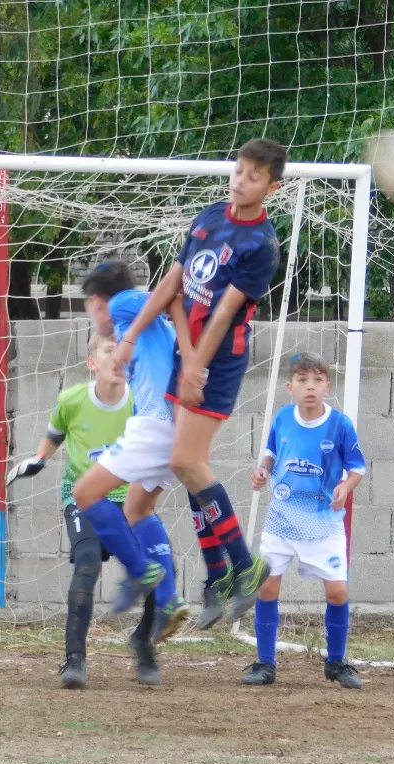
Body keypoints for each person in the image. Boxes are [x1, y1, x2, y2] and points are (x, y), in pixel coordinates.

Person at [114, 138, 288, 629]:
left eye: (254, 176)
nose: (241, 180)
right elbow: (173, 284)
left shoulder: (262, 245)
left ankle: (244, 567)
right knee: (192, 468)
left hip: (220, 358)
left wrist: (197, 367)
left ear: (271, 187)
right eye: (239, 170)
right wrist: (130, 341)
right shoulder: (209, 215)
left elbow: (223, 314)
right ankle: (217, 577)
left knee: (185, 461)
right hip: (185, 351)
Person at [70, 261, 192, 687]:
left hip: (156, 425)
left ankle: (142, 572)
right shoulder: (143, 319)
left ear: (96, 301)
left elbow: (168, 291)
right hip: (172, 426)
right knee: (138, 508)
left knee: (85, 493)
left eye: (92, 313)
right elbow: (170, 301)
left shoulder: (124, 305)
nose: (100, 326)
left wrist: (134, 328)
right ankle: (169, 596)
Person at [8, 332, 134, 689]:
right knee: (88, 562)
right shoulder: (72, 400)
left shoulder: (139, 402)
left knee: (153, 568)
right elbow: (55, 434)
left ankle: (144, 645)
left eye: (124, 351)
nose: (118, 356)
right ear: (92, 363)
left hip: (129, 498)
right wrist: (39, 458)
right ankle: (74, 660)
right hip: (84, 498)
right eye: (109, 351)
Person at [246, 353, 366, 688]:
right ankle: (265, 664)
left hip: (323, 521)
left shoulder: (340, 424)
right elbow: (270, 453)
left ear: (327, 386)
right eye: (302, 380)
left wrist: (345, 485)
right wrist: (262, 471)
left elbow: (357, 467)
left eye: (316, 380)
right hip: (281, 519)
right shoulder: (283, 418)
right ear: (290, 387)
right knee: (267, 586)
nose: (309, 386)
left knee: (338, 592)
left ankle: (337, 663)